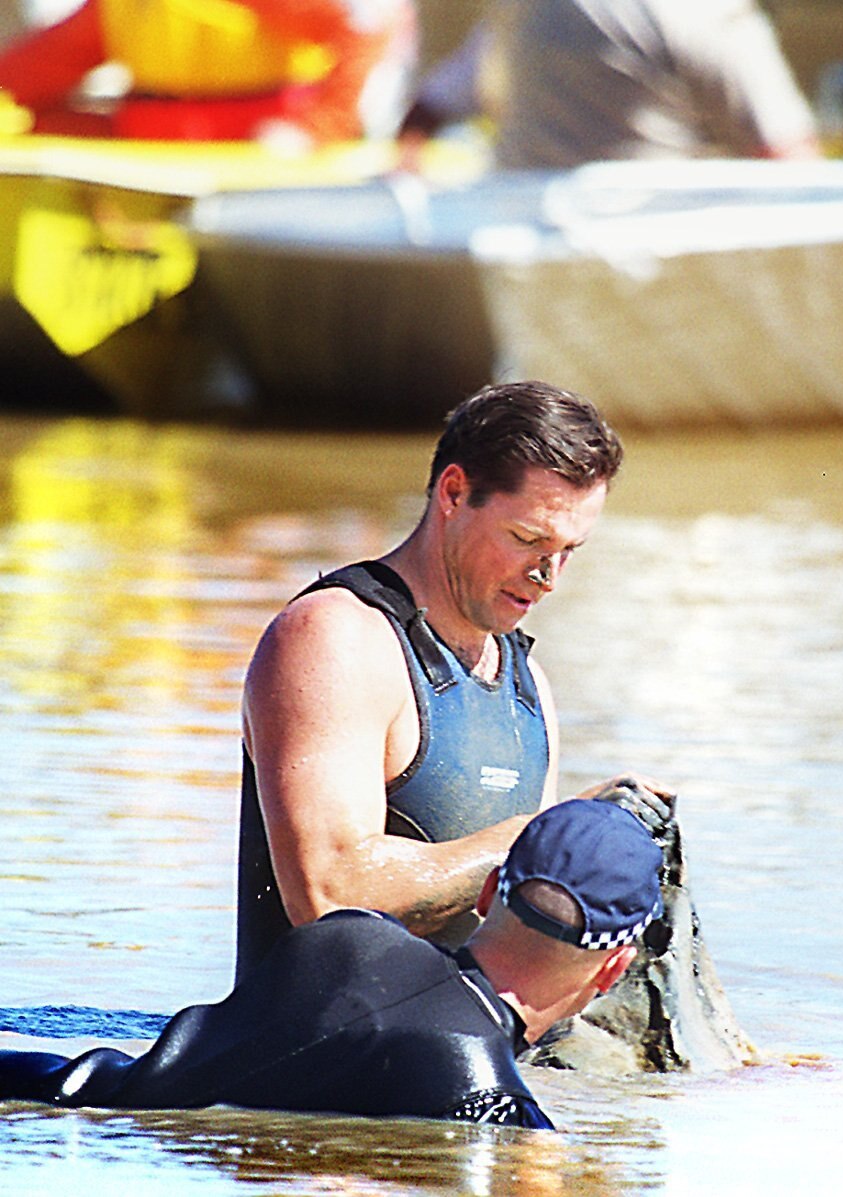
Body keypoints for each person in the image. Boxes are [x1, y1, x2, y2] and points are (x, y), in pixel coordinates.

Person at [236, 379, 674, 985]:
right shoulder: (334, 639)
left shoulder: (529, 684)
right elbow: (329, 894)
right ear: (454, 492)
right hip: (318, 1057)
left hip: (462, 1053)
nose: (548, 576)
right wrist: (545, 840)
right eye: (528, 540)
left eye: (570, 549)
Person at [0, 798, 664, 1127]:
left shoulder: (348, 935)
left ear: (490, 891)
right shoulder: (491, 1104)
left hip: (51, 1090)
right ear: (613, 969)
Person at [401, 0, 819, 167]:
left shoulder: (522, 11)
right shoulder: (703, 12)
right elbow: (791, 160)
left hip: (531, 282)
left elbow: (426, 111)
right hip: (674, 284)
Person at [0, 0, 416, 142]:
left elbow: (368, 25)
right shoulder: (121, 8)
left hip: (257, 155)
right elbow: (31, 69)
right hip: (150, 145)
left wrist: (316, 131)